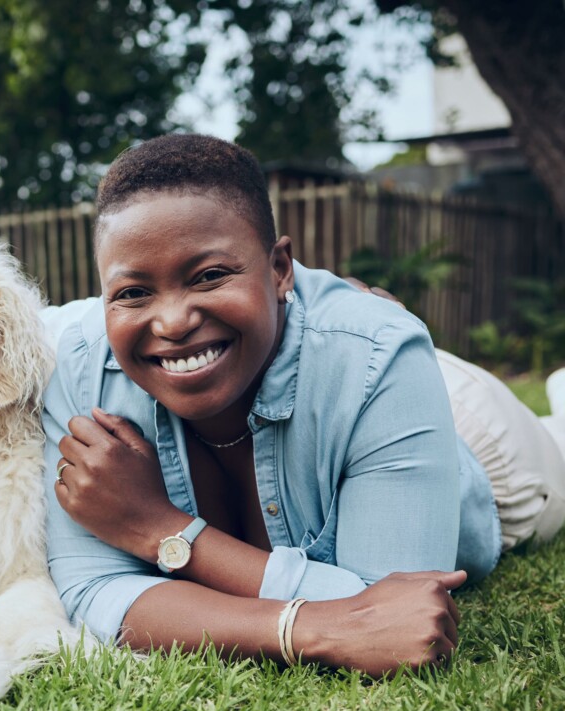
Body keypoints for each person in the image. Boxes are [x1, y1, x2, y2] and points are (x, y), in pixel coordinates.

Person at [44, 134, 565, 676]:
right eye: (132, 292)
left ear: (279, 269)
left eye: (211, 275)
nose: (172, 322)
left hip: (487, 448)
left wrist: (160, 529)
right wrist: (314, 630)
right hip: (335, 366)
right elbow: (94, 591)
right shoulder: (81, 366)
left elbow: (393, 612)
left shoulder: (377, 353)